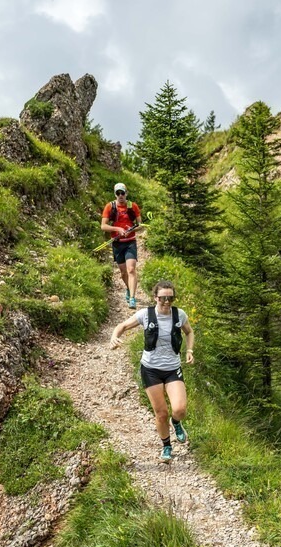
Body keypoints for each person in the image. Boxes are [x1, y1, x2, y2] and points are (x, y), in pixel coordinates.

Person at [109, 280, 195, 462]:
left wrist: (189, 350)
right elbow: (122, 326)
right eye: (162, 297)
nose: (166, 301)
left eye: (170, 298)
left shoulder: (179, 314)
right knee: (161, 413)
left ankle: (177, 423)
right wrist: (114, 337)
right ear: (155, 297)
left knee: (179, 409)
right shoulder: (146, 315)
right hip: (150, 369)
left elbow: (189, 332)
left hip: (172, 368)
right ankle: (166, 447)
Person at [101, 182, 141, 309]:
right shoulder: (110, 207)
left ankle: (132, 298)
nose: (120, 195)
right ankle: (129, 289)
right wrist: (117, 229)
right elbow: (103, 226)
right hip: (117, 243)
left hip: (130, 242)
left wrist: (132, 229)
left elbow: (140, 225)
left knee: (131, 269)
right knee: (123, 272)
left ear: (126, 193)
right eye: (118, 193)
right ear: (115, 194)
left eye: (122, 193)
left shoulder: (133, 206)